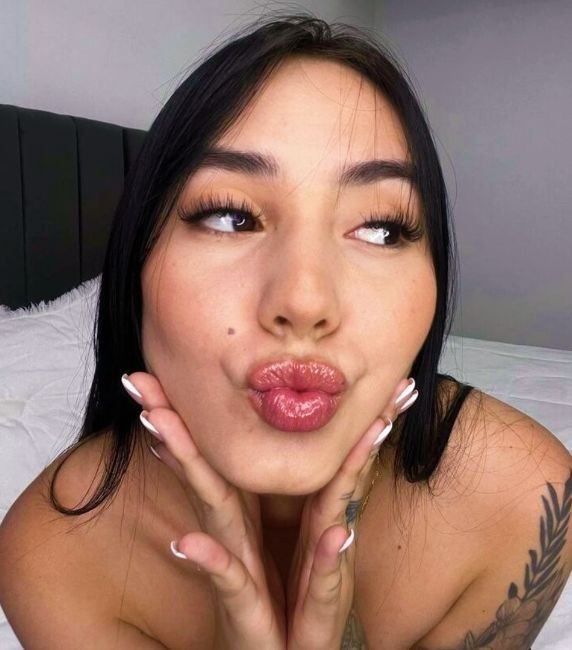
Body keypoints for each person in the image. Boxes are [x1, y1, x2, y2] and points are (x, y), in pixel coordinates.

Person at [0, 12, 571, 650]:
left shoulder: (526, 498)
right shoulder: (55, 560)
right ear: (136, 259)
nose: (304, 301)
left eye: (381, 228)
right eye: (230, 216)